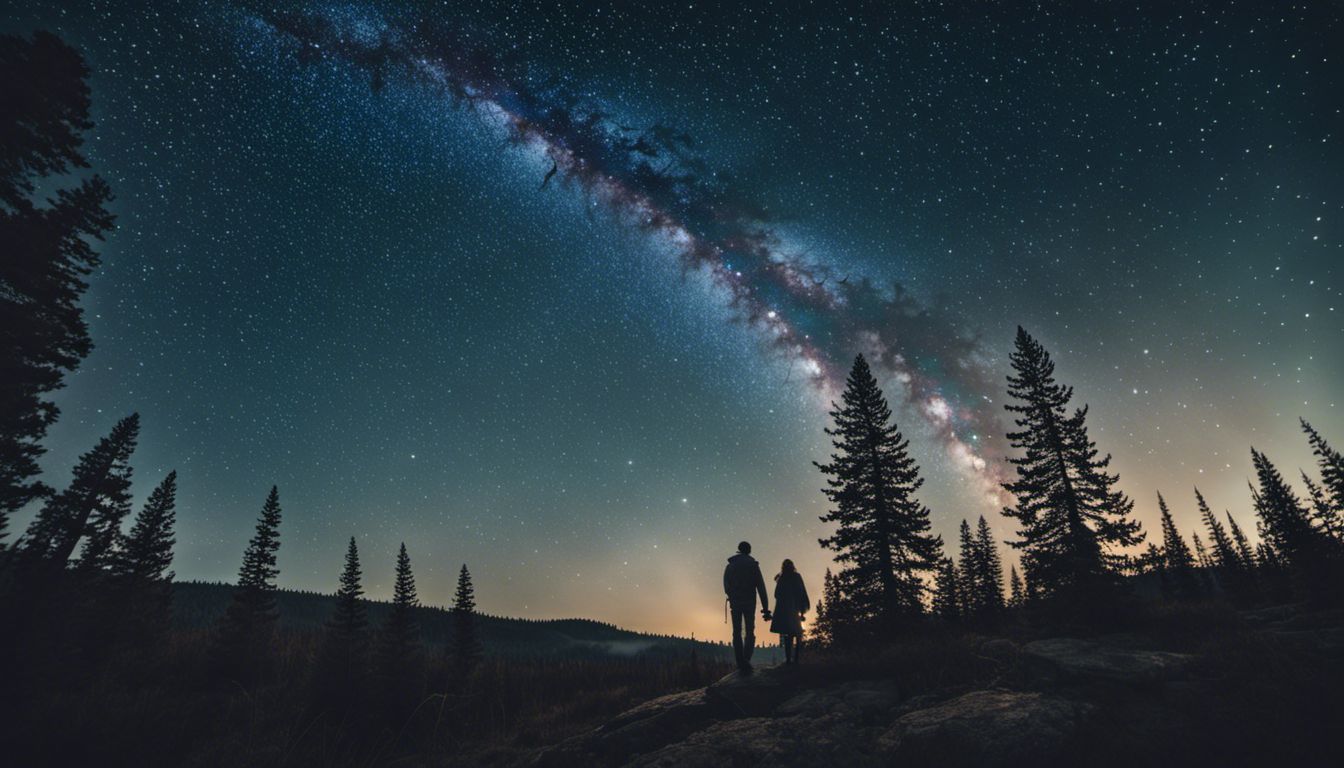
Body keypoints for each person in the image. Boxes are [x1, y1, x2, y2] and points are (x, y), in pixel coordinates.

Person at [723, 541, 770, 673]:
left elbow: (726, 585)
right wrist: (765, 608)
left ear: (739, 549)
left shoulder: (731, 566)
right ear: (749, 550)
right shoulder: (753, 566)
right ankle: (746, 659)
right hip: (749, 602)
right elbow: (761, 587)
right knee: (750, 631)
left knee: (736, 631)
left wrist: (732, 595)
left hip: (735, 602)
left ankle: (740, 661)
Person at [770, 559, 810, 665]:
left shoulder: (782, 578)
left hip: (784, 611)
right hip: (795, 609)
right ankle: (796, 659)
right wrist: (802, 611)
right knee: (797, 634)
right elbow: (802, 593)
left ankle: (788, 659)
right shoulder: (797, 577)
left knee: (788, 635)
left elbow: (776, 594)